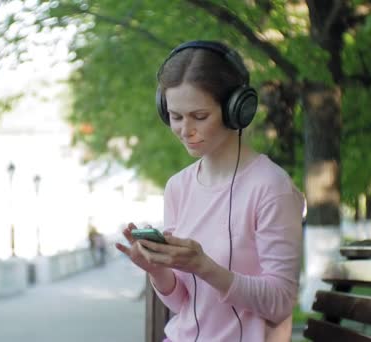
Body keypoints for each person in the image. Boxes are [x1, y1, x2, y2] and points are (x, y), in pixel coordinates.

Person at [115, 41, 304, 342]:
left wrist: (204, 267)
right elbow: (183, 305)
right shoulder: (178, 187)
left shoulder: (272, 187)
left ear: (236, 110)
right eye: (175, 117)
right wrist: (157, 270)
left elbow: (279, 303)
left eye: (199, 116)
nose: (185, 130)